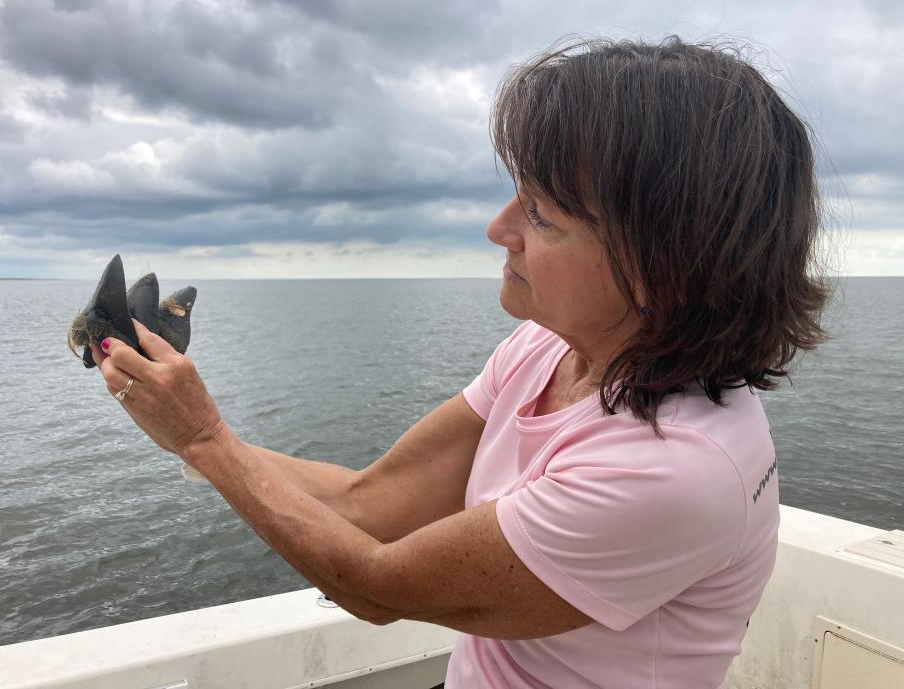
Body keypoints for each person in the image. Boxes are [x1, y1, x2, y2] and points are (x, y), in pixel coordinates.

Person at [90, 35, 830, 688]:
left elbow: (380, 587)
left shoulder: (671, 468)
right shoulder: (551, 347)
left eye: (541, 215)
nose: (498, 228)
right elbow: (366, 504)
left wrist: (205, 441)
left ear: (660, 266)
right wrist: (189, 432)